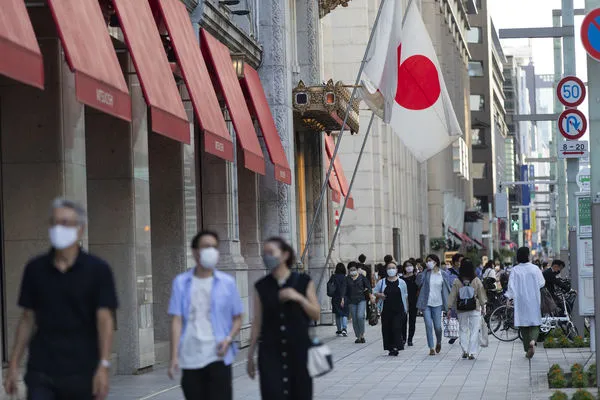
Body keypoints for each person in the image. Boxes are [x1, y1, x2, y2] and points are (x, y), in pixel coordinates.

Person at [4, 198, 118, 399]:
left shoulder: (98, 270)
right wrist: (13, 363)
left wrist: (104, 365)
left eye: (65, 223)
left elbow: (105, 320)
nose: (58, 228)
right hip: (42, 370)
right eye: (54, 222)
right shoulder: (35, 268)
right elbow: (27, 318)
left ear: (80, 229)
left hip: (82, 372)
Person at [167, 231, 243, 400]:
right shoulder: (181, 282)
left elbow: (238, 317)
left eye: (214, 247)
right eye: (206, 246)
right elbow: (176, 320)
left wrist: (228, 338)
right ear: (195, 251)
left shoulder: (227, 283)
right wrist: (173, 357)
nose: (211, 251)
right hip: (190, 356)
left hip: (218, 355)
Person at [247, 237, 320, 400]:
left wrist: (299, 298)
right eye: (264, 253)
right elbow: (257, 321)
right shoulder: (262, 286)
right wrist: (250, 354)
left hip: (299, 351)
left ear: (285, 255)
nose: (267, 257)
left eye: (271, 252)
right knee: (272, 394)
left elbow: (316, 313)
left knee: (301, 394)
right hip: (270, 352)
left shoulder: (303, 282)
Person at [505, 247, 546, 359]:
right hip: (533, 299)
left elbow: (511, 286)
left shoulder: (515, 270)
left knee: (523, 325)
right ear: (528, 256)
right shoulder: (535, 268)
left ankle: (527, 348)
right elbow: (542, 283)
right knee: (535, 323)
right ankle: (533, 341)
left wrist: (509, 298)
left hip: (521, 301)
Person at [447, 258, 487, 360]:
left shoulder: (457, 281)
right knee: (474, 330)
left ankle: (464, 350)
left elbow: (452, 295)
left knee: (463, 329)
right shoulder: (476, 280)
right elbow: (481, 295)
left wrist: (449, 308)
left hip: (461, 309)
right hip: (475, 308)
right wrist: (483, 306)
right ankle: (472, 352)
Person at [416, 254, 451, 356]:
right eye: (427, 261)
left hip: (438, 304)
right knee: (428, 324)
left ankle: (438, 342)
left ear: (435, 262)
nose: (428, 263)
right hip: (426, 303)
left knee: (437, 327)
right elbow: (418, 283)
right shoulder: (425, 273)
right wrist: (420, 272)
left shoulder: (443, 274)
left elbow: (447, 289)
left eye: (430, 261)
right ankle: (431, 347)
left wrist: (449, 306)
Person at [374, 262, 408, 356]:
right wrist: (380, 295)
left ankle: (397, 346)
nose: (391, 270)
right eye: (389, 268)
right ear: (386, 270)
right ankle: (390, 347)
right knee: (387, 328)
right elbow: (375, 292)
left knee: (396, 327)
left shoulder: (402, 282)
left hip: (399, 309)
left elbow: (405, 295)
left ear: (396, 270)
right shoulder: (382, 282)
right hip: (386, 309)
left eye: (393, 268)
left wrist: (406, 309)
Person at [346, 262, 372, 343]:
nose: (352, 271)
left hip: (362, 299)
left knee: (360, 316)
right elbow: (344, 290)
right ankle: (358, 336)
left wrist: (371, 296)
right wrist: (342, 298)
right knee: (354, 319)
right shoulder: (347, 279)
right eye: (351, 270)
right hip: (351, 301)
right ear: (348, 271)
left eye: (354, 269)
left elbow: (368, 286)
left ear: (357, 270)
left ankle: (362, 334)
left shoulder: (362, 277)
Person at [401, 260, 419, 346]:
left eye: (410, 265)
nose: (408, 267)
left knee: (412, 321)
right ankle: (403, 338)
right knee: (403, 320)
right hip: (403, 302)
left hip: (413, 301)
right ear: (404, 268)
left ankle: (410, 339)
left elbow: (419, 289)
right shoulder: (401, 279)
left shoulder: (416, 277)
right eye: (407, 266)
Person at [331, 263, 349, 337]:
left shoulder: (333, 277)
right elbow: (346, 288)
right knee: (344, 313)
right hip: (344, 297)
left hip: (335, 297)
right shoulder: (345, 278)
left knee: (337, 314)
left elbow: (329, 285)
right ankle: (344, 329)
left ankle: (339, 330)